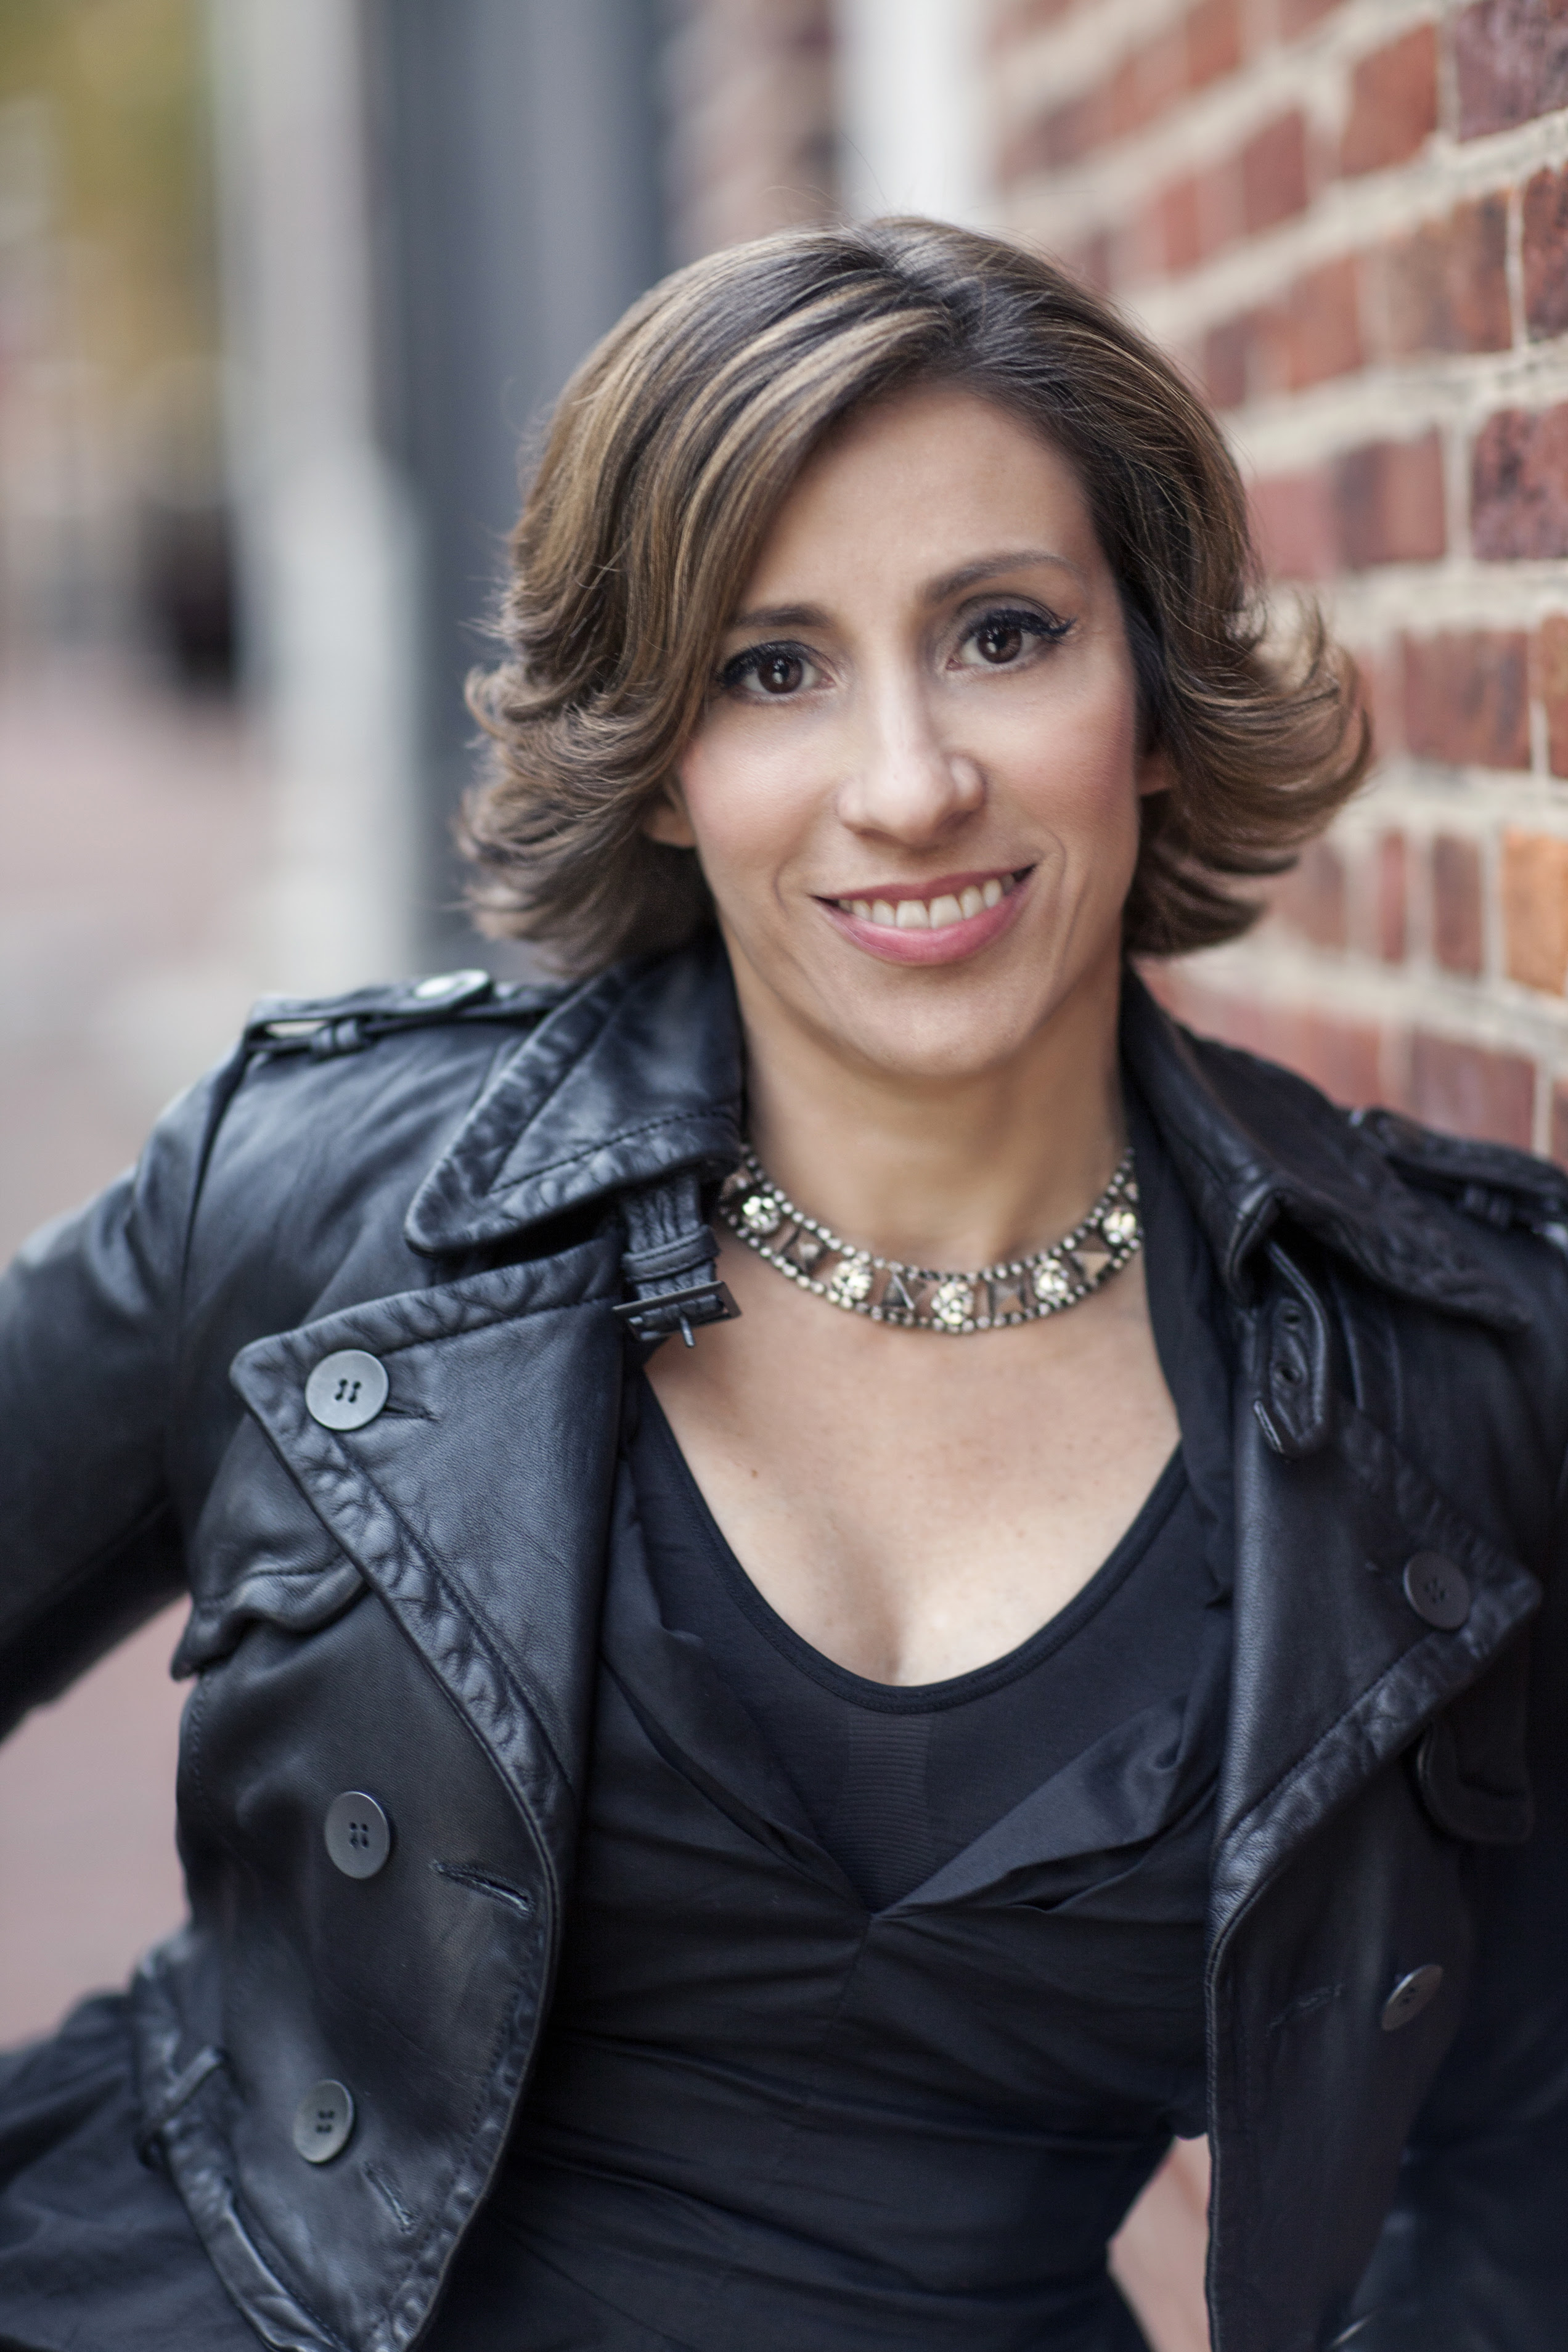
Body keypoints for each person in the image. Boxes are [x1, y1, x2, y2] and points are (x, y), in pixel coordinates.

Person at [0, 216, 1564, 2352]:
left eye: (1004, 634)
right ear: (661, 755)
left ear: (1152, 694)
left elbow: (1522, 2172)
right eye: (772, 668)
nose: (910, 785)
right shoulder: (323, 1198)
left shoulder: (1453, 1373)